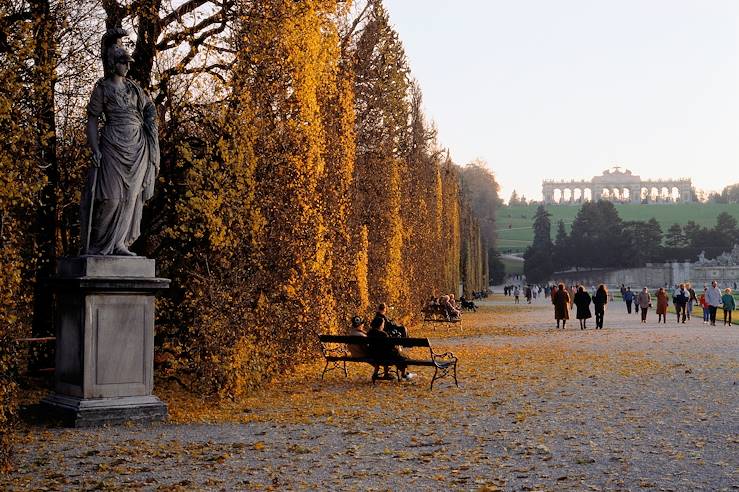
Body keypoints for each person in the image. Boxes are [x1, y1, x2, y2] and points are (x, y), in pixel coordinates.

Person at [81, 34, 160, 255]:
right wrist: (95, 149)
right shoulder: (103, 89)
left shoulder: (134, 89)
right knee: (111, 198)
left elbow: (149, 108)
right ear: (112, 64)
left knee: (130, 199)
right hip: (112, 146)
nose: (126, 66)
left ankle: (119, 244)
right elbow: (92, 119)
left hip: (137, 148)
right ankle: (99, 246)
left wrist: (149, 126)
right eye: (122, 62)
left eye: (128, 62)